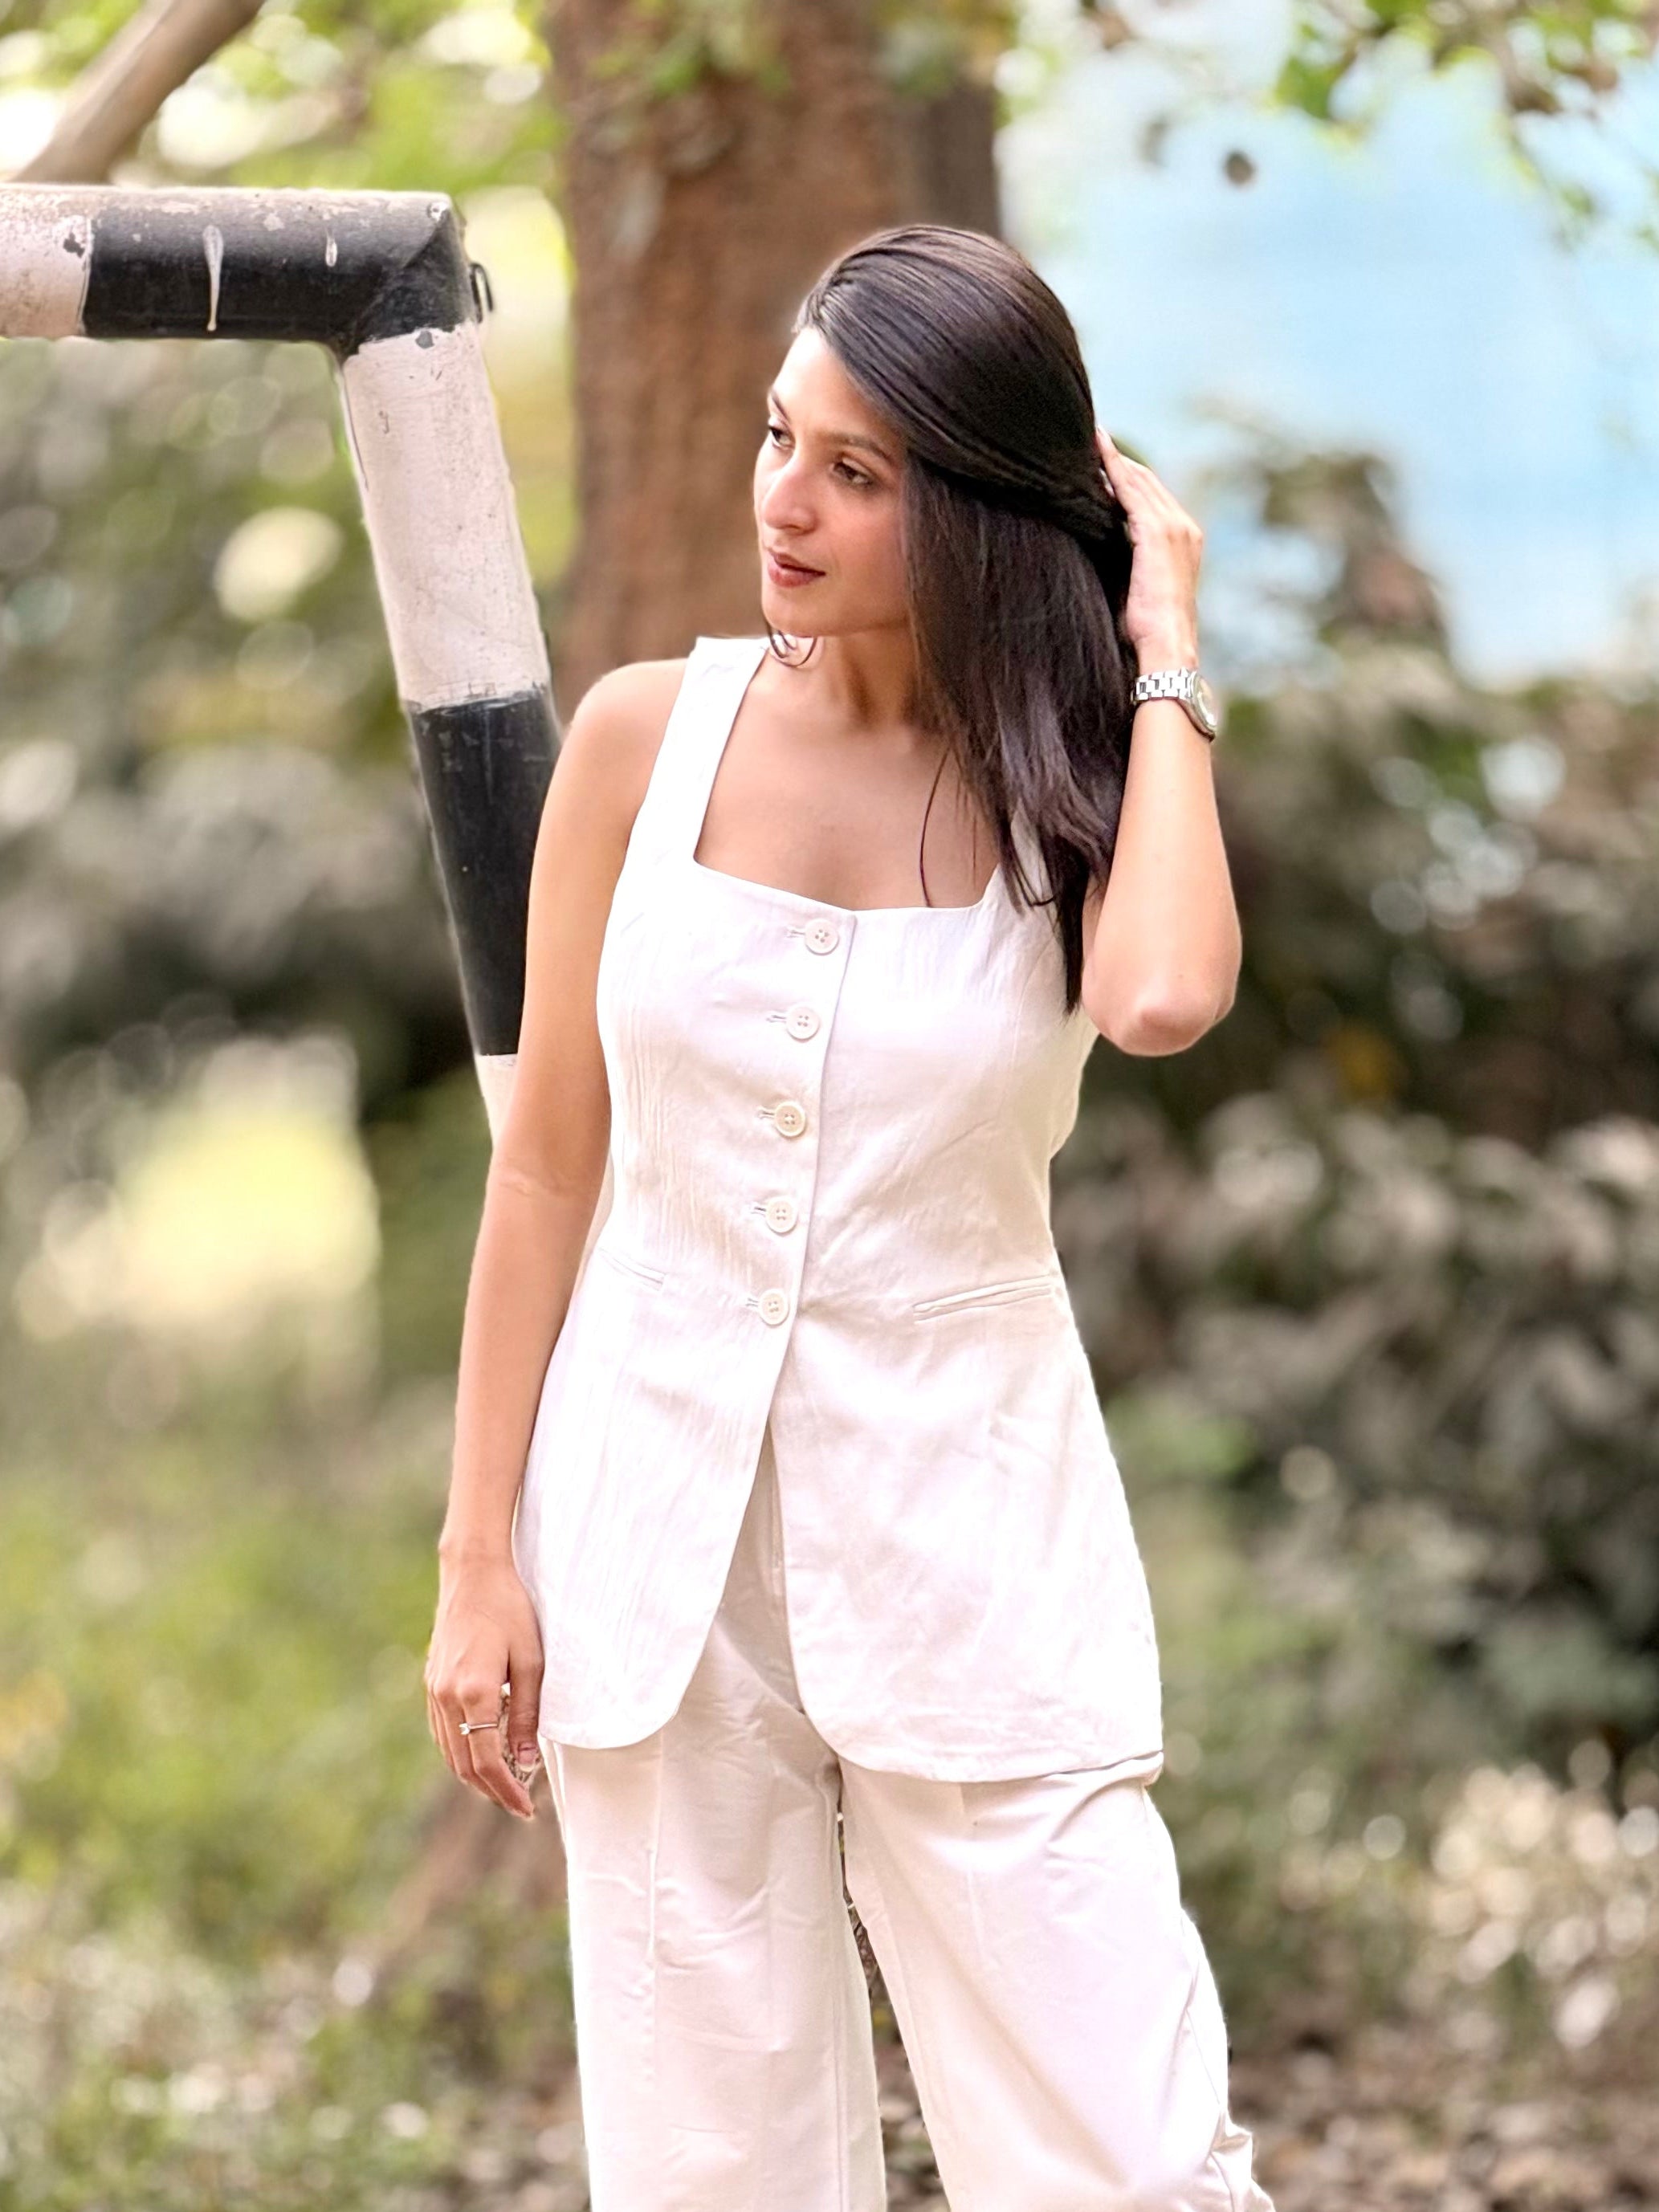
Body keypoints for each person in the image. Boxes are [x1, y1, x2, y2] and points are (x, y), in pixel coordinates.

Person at [423, 223, 1275, 2212]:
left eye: (857, 471)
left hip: (973, 1545)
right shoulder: (640, 740)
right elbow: (546, 1163)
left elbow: (1161, 996)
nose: (782, 503)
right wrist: (477, 1558)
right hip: (649, 1549)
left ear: (972, 506)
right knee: (709, 2171)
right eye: (776, 437)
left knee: (1132, 2160)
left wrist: (1164, 637)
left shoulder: (1075, 775)